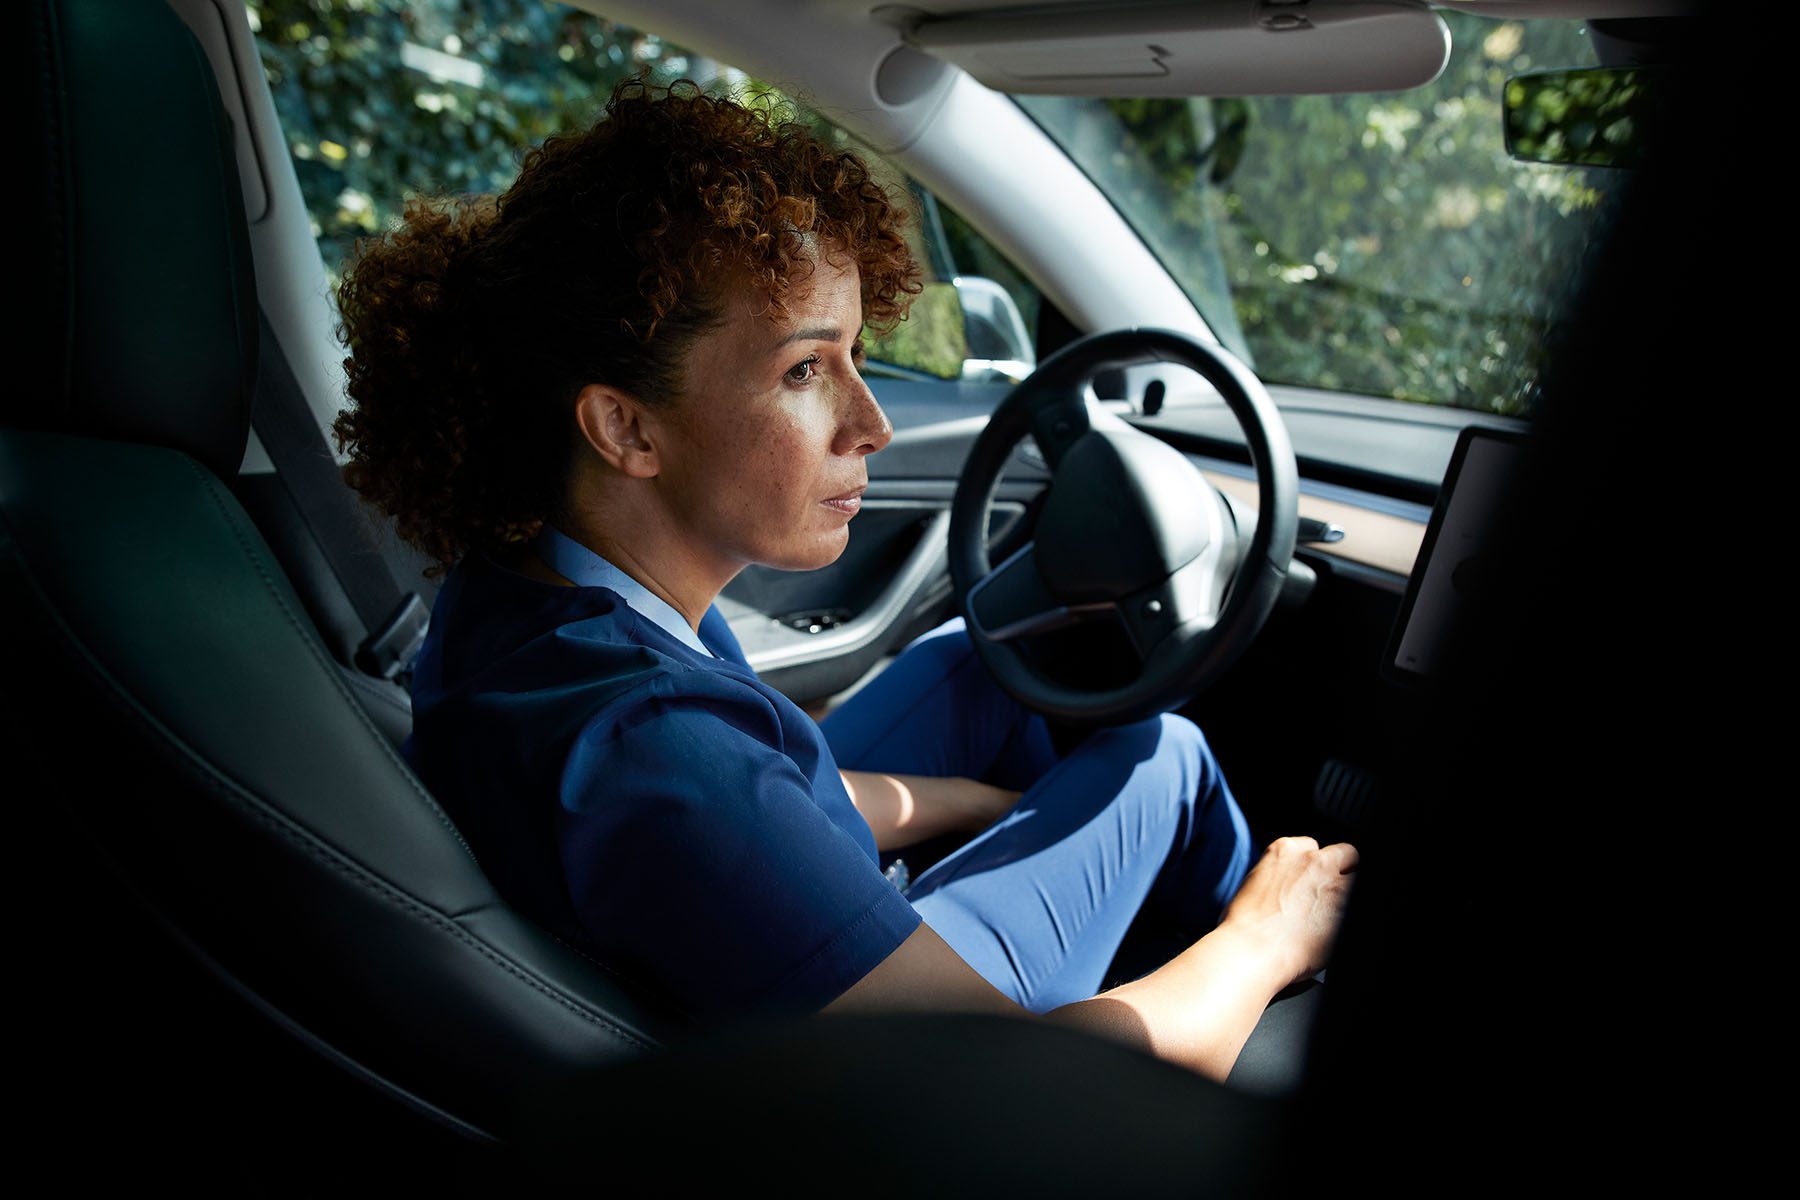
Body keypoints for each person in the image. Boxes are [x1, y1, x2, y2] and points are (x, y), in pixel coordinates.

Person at [333, 77, 1355, 1083]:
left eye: (857, 356)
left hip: (747, 915)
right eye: (804, 371)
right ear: (625, 428)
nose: (873, 424)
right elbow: (1013, 1103)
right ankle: (1271, 974)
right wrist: (1268, 937)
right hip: (899, 1078)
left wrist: (965, 804)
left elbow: (764, 805)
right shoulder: (665, 762)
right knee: (1157, 751)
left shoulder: (527, 594)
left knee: (975, 662)